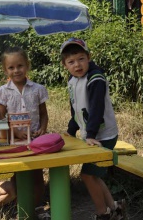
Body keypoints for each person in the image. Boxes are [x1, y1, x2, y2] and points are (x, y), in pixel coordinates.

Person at [60, 38, 126, 220]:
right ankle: (114, 208)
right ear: (65, 65)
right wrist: (71, 130)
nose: (77, 65)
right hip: (92, 134)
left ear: (88, 57)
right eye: (71, 62)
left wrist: (90, 134)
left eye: (81, 59)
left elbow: (96, 109)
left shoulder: (95, 78)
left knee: (88, 175)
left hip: (103, 135)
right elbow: (75, 107)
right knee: (93, 175)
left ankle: (102, 214)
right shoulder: (73, 80)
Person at [0, 46, 49, 209]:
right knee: (19, 174)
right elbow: (1, 114)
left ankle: (35, 208)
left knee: (37, 175)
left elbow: (43, 113)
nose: (16, 70)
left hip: (35, 139)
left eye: (20, 66)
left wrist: (43, 128)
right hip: (15, 139)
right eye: (11, 67)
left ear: (27, 66)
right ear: (5, 70)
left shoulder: (38, 89)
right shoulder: (3, 91)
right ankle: (20, 207)